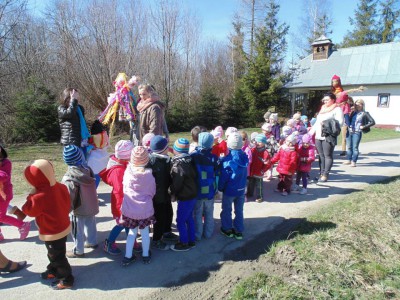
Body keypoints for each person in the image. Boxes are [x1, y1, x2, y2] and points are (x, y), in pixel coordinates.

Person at [22, 159, 74, 290]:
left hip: (52, 232)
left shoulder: (38, 197)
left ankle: (66, 279)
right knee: (55, 252)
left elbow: (28, 210)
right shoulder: (60, 186)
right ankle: (53, 270)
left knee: (57, 256)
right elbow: (68, 204)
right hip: (63, 226)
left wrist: (31, 195)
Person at [120, 146, 156, 266]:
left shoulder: (128, 172)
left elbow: (124, 187)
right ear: (146, 160)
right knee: (145, 232)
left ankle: (128, 256)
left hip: (130, 209)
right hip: (144, 210)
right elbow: (152, 191)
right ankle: (146, 255)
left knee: (132, 233)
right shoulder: (148, 175)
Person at [61, 145, 99, 258]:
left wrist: (66, 210)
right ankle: (92, 242)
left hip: (78, 208)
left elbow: (68, 197)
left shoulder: (69, 178)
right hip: (91, 204)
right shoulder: (88, 170)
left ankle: (78, 250)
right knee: (91, 223)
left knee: (77, 229)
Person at [100, 140, 133, 255]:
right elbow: (119, 192)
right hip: (121, 204)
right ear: (126, 158)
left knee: (129, 223)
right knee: (122, 223)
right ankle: (109, 242)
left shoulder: (122, 164)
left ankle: (131, 240)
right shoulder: (118, 171)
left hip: (127, 201)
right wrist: (121, 210)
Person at [148, 136, 177, 251]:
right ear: (162, 149)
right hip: (157, 196)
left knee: (169, 213)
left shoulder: (166, 160)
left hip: (166, 194)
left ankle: (167, 232)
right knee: (159, 219)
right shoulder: (152, 161)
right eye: (166, 147)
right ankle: (156, 239)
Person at [169, 138, 198, 251]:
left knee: (180, 220)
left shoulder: (178, 166)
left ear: (176, 151)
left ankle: (183, 242)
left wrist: (171, 192)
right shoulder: (190, 160)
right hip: (193, 194)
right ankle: (191, 240)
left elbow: (177, 184)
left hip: (185, 196)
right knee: (189, 218)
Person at [219, 132, 248, 240]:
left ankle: (227, 229)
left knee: (227, 209)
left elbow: (224, 177)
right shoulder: (244, 157)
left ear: (229, 145)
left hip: (229, 191)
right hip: (241, 190)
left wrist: (220, 187)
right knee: (239, 210)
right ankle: (239, 230)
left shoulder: (228, 160)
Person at [309, 92, 344, 182]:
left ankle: (325, 174)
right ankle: (321, 173)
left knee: (327, 155)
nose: (325, 101)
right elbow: (317, 122)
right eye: (324, 100)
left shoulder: (337, 109)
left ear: (332, 100)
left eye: (327, 100)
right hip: (319, 135)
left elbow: (340, 122)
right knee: (321, 156)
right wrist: (310, 133)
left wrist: (325, 124)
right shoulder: (322, 109)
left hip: (329, 135)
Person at [191, 132, 219, 241]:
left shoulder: (193, 156)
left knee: (197, 214)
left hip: (197, 192)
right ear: (211, 144)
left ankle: (198, 234)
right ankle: (208, 233)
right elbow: (217, 174)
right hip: (210, 192)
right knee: (209, 213)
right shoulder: (214, 158)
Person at [0, 145, 31, 241]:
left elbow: (4, 176)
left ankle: (22, 225)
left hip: (4, 195)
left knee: (1, 216)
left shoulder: (6, 163)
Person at [343, 99, 375, 167]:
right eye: (356, 104)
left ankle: (354, 161)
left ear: (362, 105)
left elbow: (372, 122)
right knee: (349, 147)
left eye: (359, 104)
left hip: (357, 132)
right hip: (349, 131)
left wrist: (363, 126)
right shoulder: (353, 112)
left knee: (355, 148)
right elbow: (348, 120)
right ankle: (349, 160)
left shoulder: (365, 113)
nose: (357, 106)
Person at [247, 134, 271, 203]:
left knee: (259, 185)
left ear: (264, 143)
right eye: (256, 141)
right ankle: (250, 193)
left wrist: (263, 170)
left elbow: (268, 164)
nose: (257, 143)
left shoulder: (265, 153)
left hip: (259, 172)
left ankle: (259, 196)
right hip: (252, 170)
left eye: (260, 142)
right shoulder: (253, 150)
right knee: (251, 183)